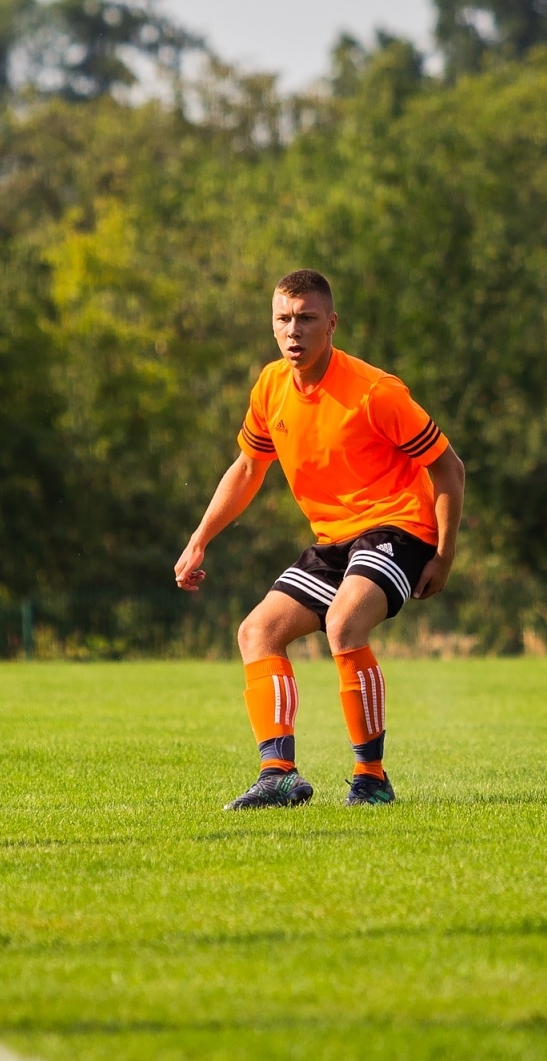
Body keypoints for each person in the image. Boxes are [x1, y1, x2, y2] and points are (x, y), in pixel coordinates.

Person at [174, 269, 465, 809]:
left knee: (343, 622)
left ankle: (371, 778)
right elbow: (246, 469)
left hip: (399, 526)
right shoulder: (270, 386)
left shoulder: (375, 392)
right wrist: (199, 539)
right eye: (283, 319)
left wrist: (444, 557)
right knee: (256, 631)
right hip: (335, 540)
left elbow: (449, 468)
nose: (294, 331)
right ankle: (278, 774)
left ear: (331, 324)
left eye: (307, 318)